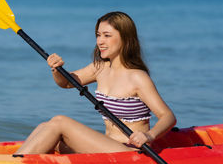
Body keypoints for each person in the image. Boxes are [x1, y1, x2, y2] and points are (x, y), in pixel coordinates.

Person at [16, 11, 176, 154]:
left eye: (107, 35)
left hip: (129, 151)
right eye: (98, 35)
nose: (100, 41)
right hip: (108, 146)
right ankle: (16, 161)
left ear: (125, 39)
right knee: (48, 128)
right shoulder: (99, 68)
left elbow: (168, 116)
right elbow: (66, 83)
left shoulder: (137, 77)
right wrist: (56, 69)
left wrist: (149, 135)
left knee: (59, 122)